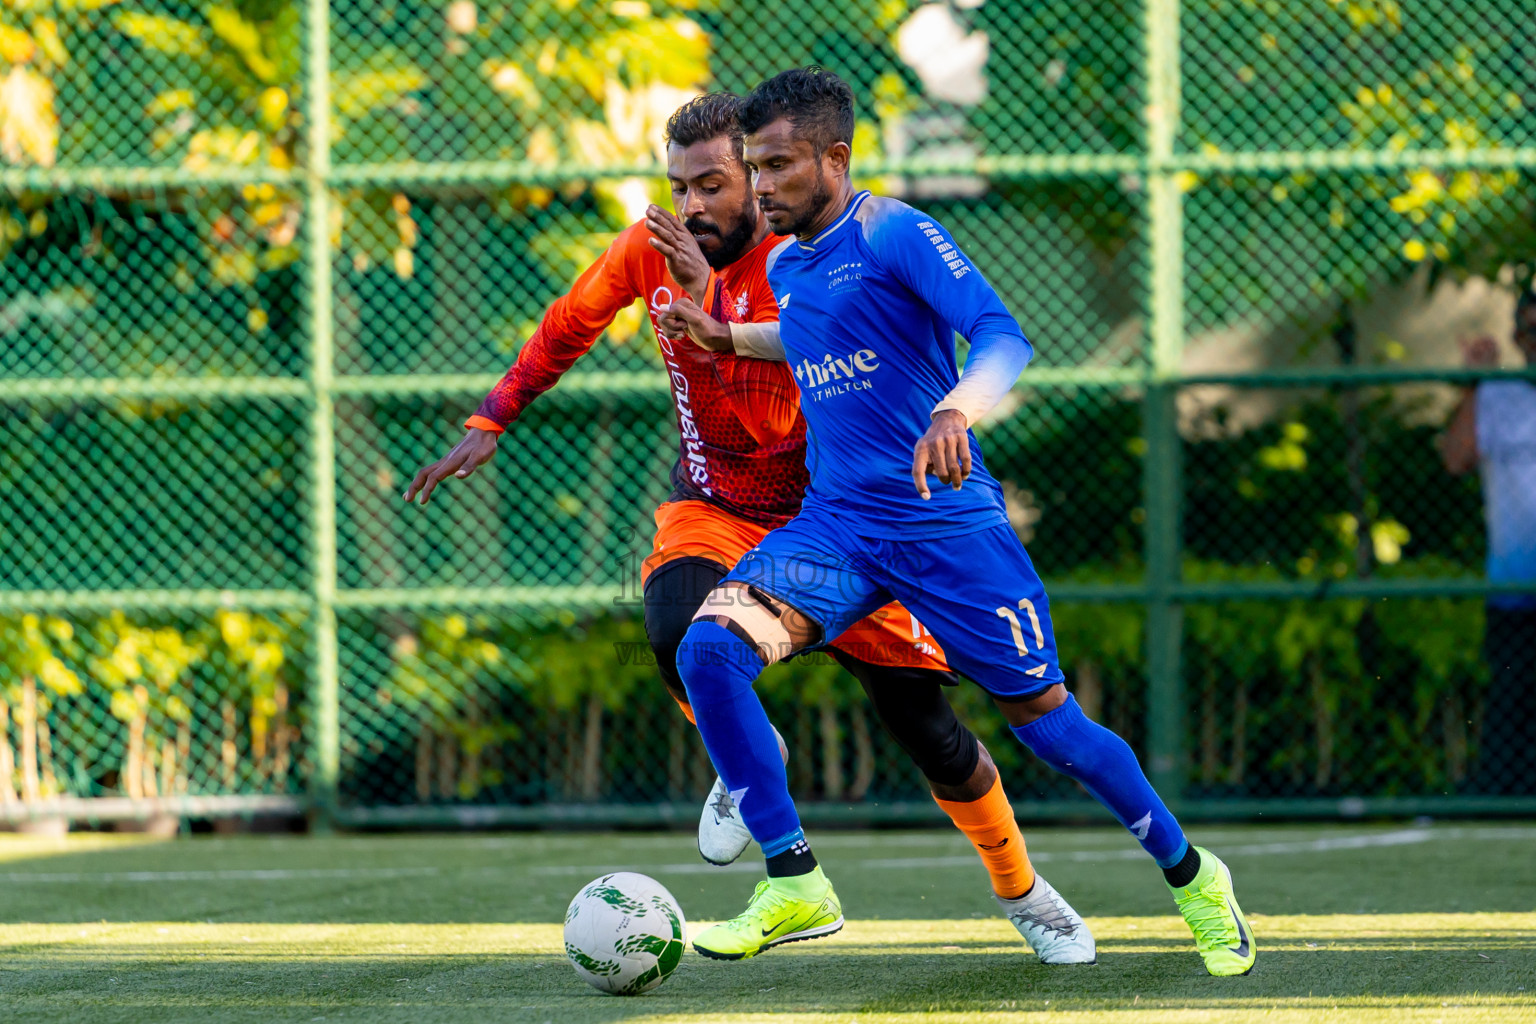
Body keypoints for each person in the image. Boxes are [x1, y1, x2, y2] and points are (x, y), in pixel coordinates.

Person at [403, 93, 1095, 964]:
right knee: (674, 630)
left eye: (716, 184)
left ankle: (1026, 894)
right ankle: (757, 791)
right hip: (717, 506)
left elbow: (772, 426)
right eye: (679, 186)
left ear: (761, 182)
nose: (693, 206)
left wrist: (712, 311)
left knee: (930, 732)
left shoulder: (808, 267)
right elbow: (569, 324)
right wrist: (492, 418)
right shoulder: (651, 250)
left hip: (844, 521)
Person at [667, 68, 1256, 975]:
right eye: (755, 165)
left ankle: (1192, 875)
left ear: (835, 156)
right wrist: (728, 338)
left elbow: (1002, 333)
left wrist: (957, 410)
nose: (765, 184)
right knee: (707, 652)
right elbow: (815, 336)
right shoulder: (787, 263)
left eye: (779, 164)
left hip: (947, 529)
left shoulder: (893, 230)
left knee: (1053, 730)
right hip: (840, 529)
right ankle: (795, 882)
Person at [1440, 291, 1536, 794]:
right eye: (1531, 331)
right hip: (1517, 584)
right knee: (1511, 700)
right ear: (1519, 338)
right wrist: (1474, 384)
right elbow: (1456, 459)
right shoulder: (1497, 395)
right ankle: (1500, 803)